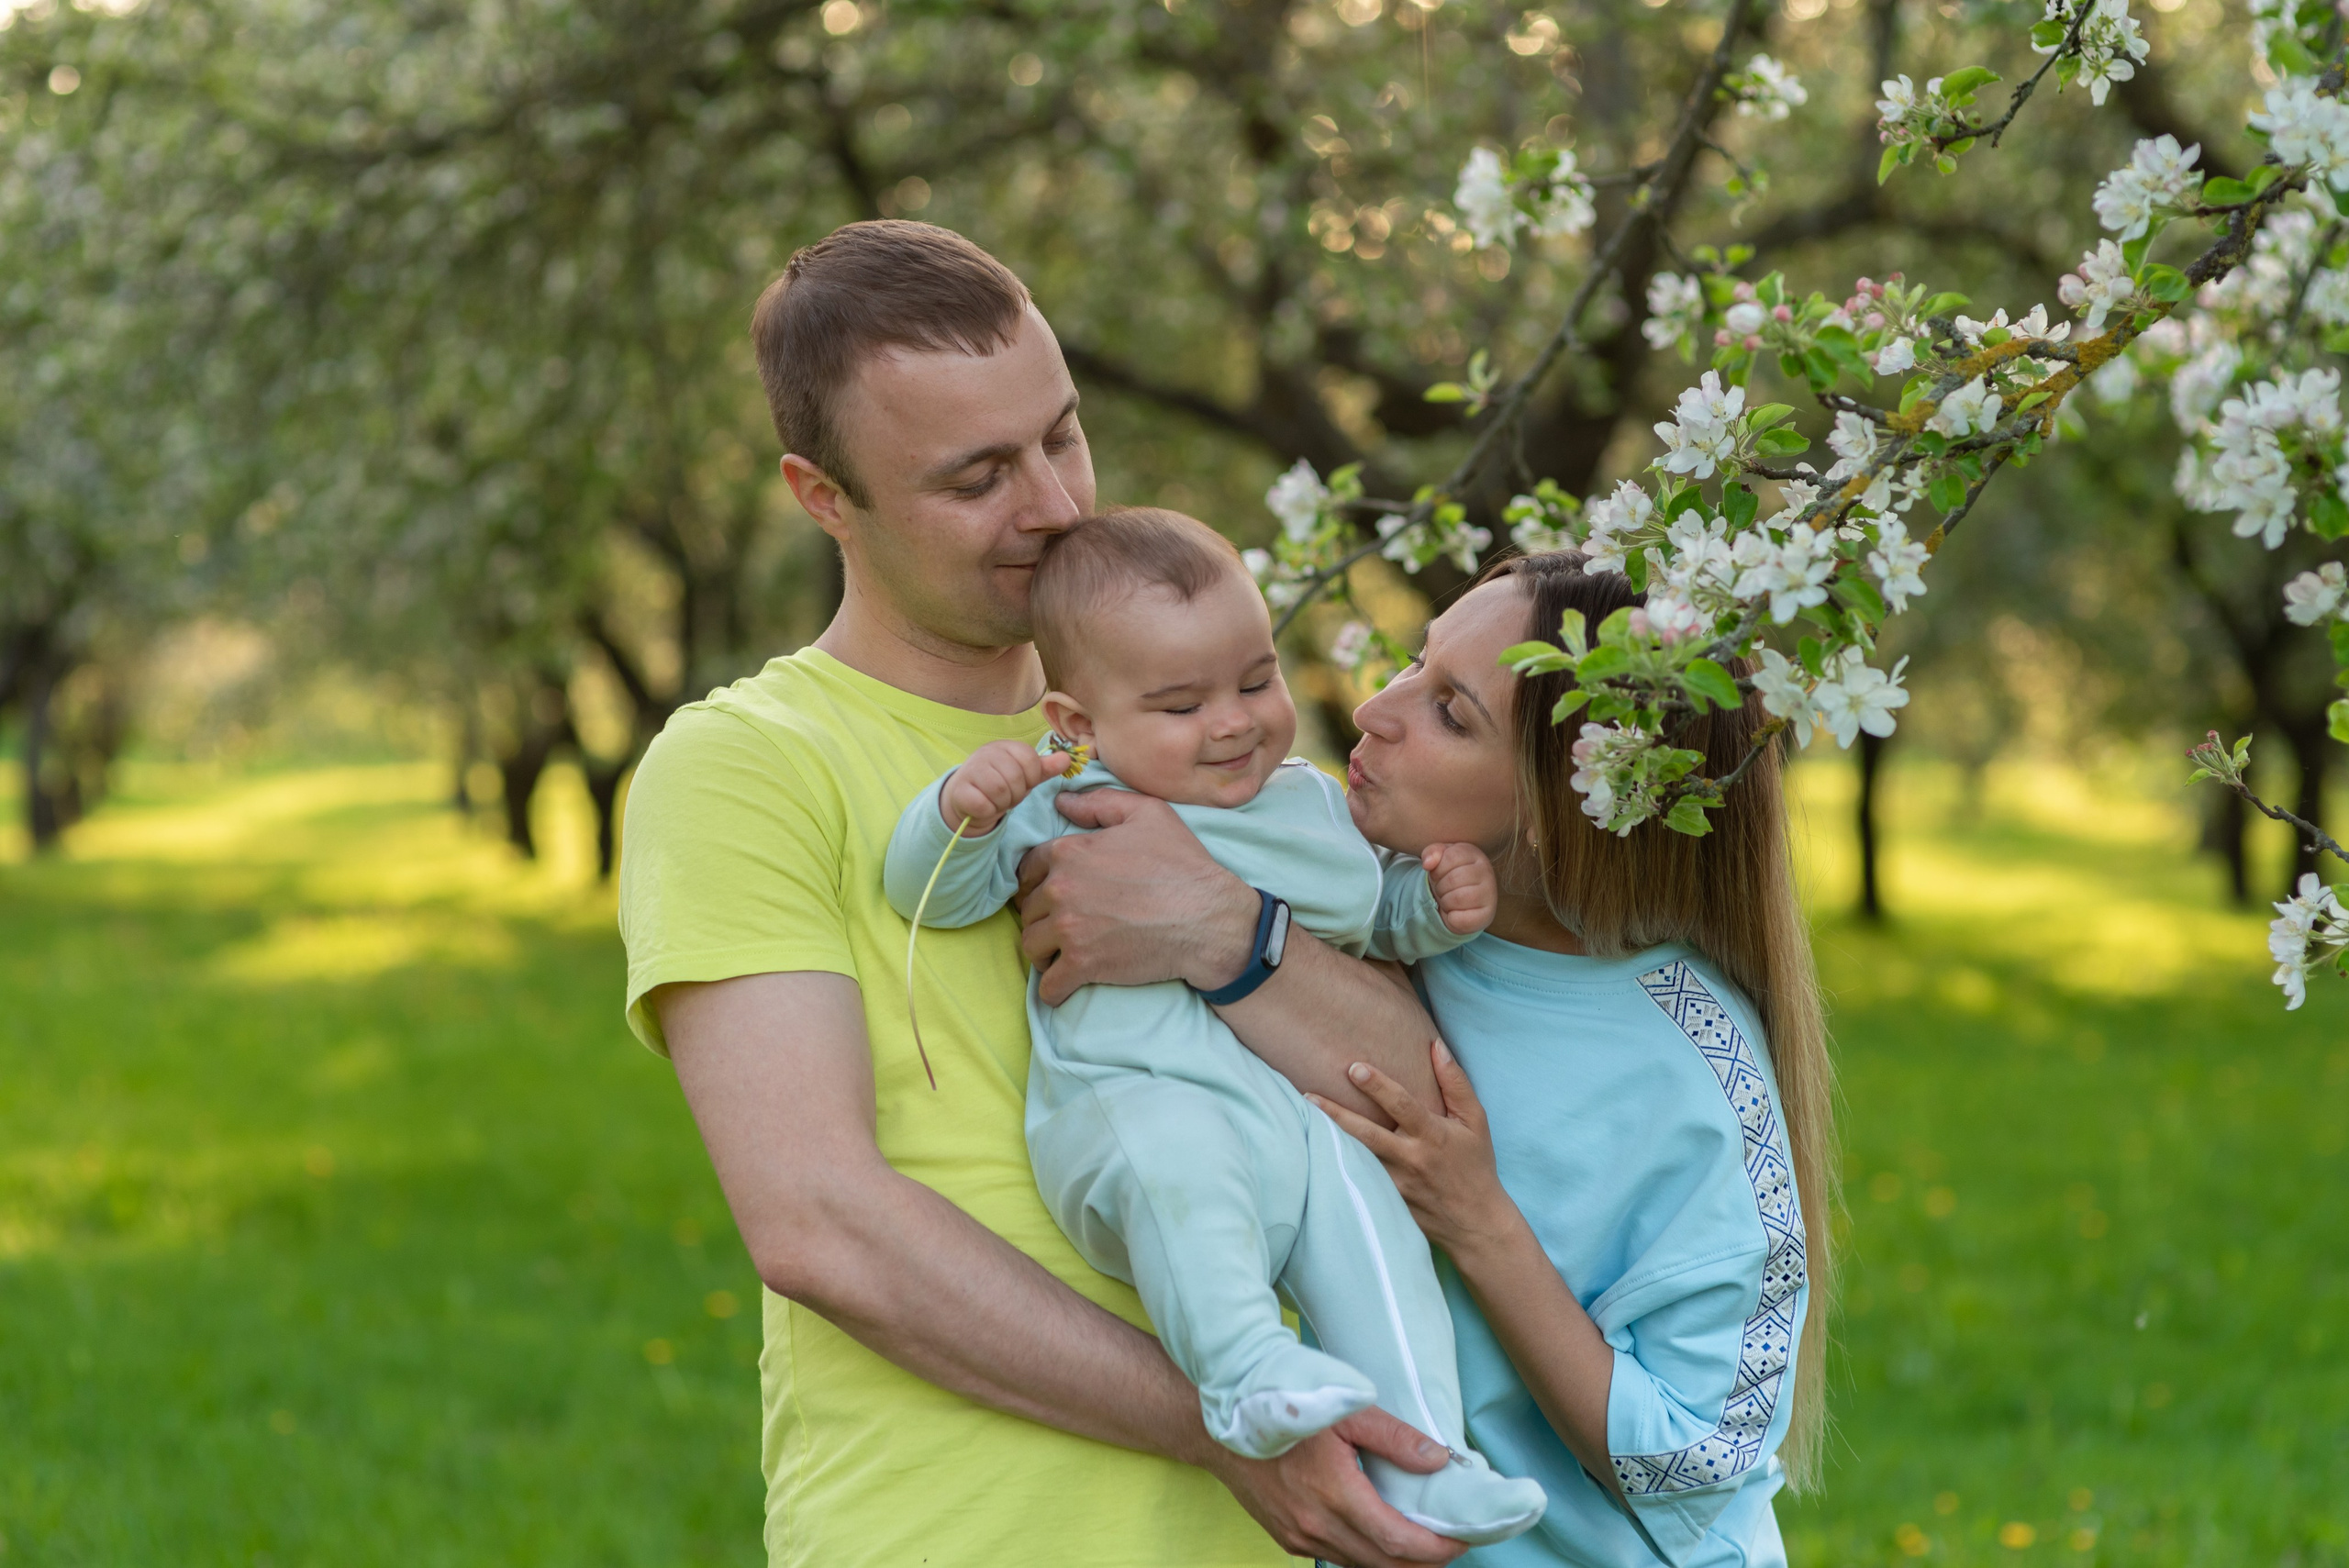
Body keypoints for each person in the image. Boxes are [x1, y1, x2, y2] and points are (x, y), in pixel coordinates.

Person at [615, 219, 1470, 1568]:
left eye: (1061, 437)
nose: (1057, 507)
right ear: (822, 494)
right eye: (976, 478)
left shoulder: (1208, 725)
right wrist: (1228, 1420)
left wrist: (1217, 933)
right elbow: (823, 1226)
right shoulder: (743, 767)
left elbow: (1434, 1102)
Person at [882, 507, 1546, 1545]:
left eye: (1255, 679)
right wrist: (957, 813)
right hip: (1138, 1110)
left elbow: (1370, 920)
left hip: (1293, 1119)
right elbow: (934, 890)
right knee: (1184, 1168)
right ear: (1080, 720)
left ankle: (1426, 1455)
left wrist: (1438, 901)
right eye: (1182, 703)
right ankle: (1243, 1372)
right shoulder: (1065, 800)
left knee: (1372, 1225)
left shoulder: (1313, 807)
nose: (1235, 721)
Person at [1304, 553, 1838, 1567]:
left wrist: (1481, 1220)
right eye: (1416, 666)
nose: (1375, 708)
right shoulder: (1349, 911)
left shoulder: (1690, 1064)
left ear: (1563, 806)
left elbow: (1699, 1458)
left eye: (1451, 713)